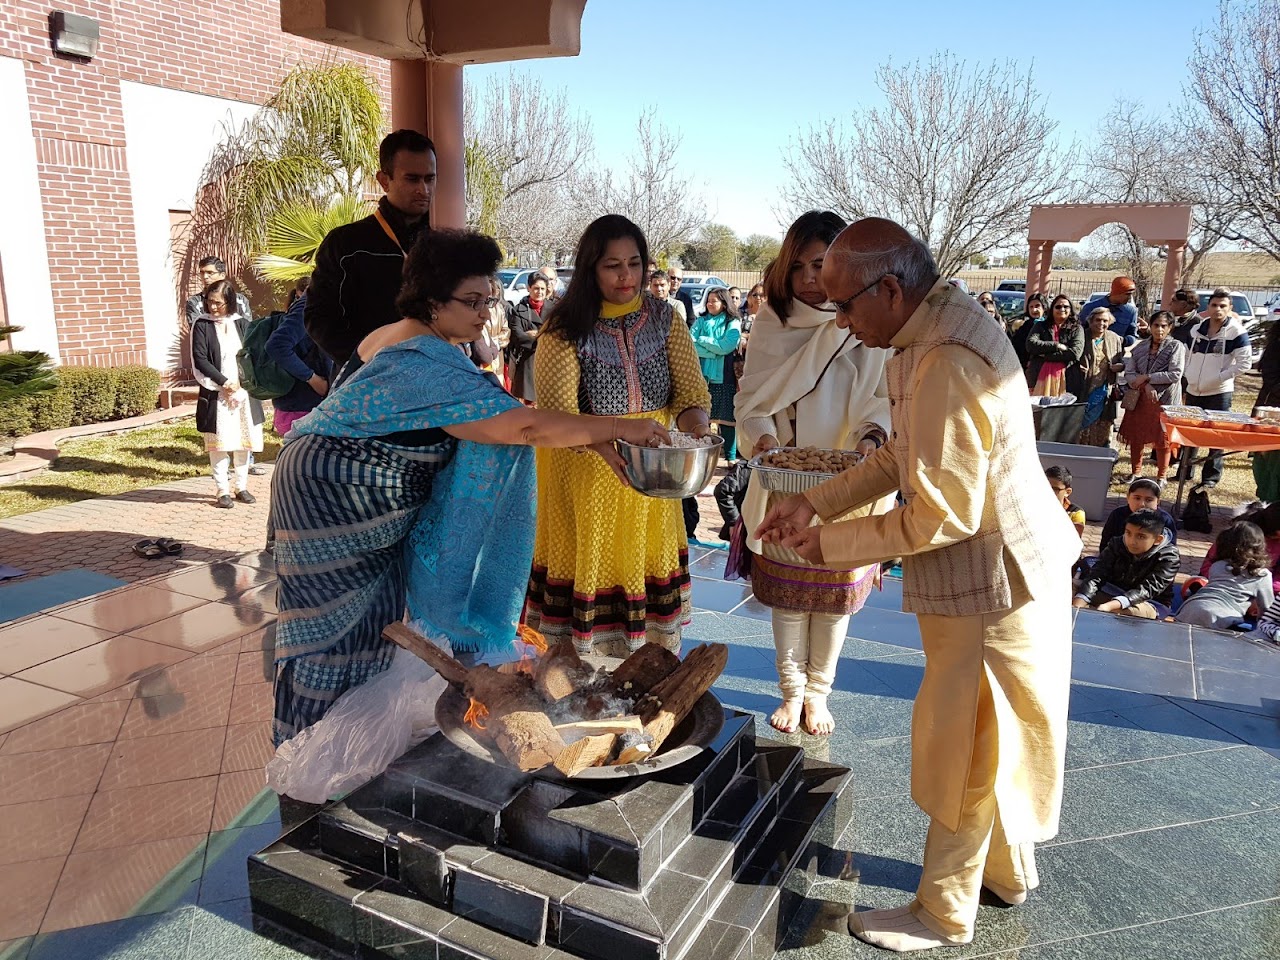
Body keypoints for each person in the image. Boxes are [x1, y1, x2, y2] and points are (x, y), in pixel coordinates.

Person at [756, 217, 1076, 952]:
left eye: (845, 306)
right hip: (998, 573)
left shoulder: (947, 359)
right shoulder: (925, 328)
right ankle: (1005, 873)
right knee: (990, 739)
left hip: (994, 582)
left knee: (966, 748)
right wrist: (817, 502)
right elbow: (905, 452)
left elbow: (942, 513)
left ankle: (943, 911)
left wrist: (830, 545)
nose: (840, 322)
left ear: (891, 289)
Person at [270, 228, 672, 744]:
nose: (485, 314)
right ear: (431, 300)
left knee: (366, 623)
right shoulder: (422, 362)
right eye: (472, 301)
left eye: (490, 299)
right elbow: (521, 427)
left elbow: (496, 415)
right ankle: (312, 751)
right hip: (336, 499)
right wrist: (618, 427)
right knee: (336, 634)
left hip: (327, 483)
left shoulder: (399, 338)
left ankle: (334, 746)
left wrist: (591, 440)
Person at [524, 215, 712, 657]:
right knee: (588, 596)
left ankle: (643, 677)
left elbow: (690, 395)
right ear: (590, 268)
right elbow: (558, 418)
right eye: (612, 265)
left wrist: (699, 432)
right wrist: (611, 442)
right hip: (584, 475)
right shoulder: (563, 328)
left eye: (634, 263)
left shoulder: (664, 319)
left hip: (651, 479)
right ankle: (581, 679)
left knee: (645, 599)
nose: (626, 276)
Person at [736, 211, 892, 739]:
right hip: (782, 479)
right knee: (788, 595)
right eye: (798, 266)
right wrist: (764, 440)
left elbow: (882, 397)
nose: (808, 278)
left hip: (851, 483)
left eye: (820, 265)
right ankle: (790, 690)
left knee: (833, 598)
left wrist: (871, 440)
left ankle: (819, 692)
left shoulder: (865, 320)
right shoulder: (771, 322)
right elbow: (750, 401)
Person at [305, 130, 436, 368]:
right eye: (412, 179)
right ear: (384, 180)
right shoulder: (346, 244)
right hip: (367, 378)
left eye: (430, 179)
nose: (423, 189)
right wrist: (371, 363)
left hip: (435, 375)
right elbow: (319, 320)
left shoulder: (444, 242)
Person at [190, 280, 265, 508]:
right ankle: (222, 489)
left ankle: (241, 486)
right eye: (209, 302)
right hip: (217, 393)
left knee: (243, 442)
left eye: (218, 303)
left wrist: (242, 386)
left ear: (230, 302)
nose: (212, 307)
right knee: (220, 444)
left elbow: (253, 356)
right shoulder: (202, 325)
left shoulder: (242, 324)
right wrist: (224, 383)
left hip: (243, 393)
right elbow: (200, 359)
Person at [1182, 288, 1253, 491]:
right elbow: (1186, 355)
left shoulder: (1237, 332)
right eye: (1214, 305)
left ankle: (1211, 477)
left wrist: (1220, 377)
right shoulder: (1196, 330)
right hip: (1194, 389)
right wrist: (1188, 375)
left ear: (1230, 308)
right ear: (1209, 307)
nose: (1218, 309)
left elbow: (1244, 363)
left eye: (1223, 306)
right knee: (1191, 432)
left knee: (1216, 435)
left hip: (1219, 392)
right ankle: (1185, 472)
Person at [1117, 311, 1185, 485]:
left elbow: (1175, 374)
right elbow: (1130, 373)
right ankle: (1136, 472)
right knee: (1136, 436)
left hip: (1165, 400)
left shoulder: (1176, 346)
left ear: (1170, 328)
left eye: (1163, 326)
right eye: (1156, 325)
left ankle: (1162, 476)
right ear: (1150, 326)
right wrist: (1144, 385)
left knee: (1163, 439)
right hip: (1140, 399)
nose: (1159, 330)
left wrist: (1147, 377)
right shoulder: (1140, 347)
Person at [1073, 510, 1180, 619]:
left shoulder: (1169, 557)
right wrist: (1081, 600)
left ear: (1158, 539)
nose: (1132, 541)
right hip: (1110, 590)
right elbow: (1097, 574)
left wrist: (1110, 606)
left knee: (1128, 613)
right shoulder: (1117, 543)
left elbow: (1148, 590)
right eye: (1128, 533)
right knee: (1068, 588)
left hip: (1148, 602)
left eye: (1141, 537)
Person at [265, 277, 331, 436]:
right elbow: (276, 345)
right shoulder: (311, 303)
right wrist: (312, 378)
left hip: (315, 404)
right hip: (302, 406)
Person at [1176, 520, 1272, 629]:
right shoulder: (1262, 575)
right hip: (1223, 617)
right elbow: (1267, 611)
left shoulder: (1218, 565)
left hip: (1191, 608)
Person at [690, 287, 743, 460]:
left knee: (727, 420)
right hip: (701, 378)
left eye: (714, 301)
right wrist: (715, 351)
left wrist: (703, 340)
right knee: (701, 419)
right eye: (708, 301)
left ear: (724, 303)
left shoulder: (732, 322)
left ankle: (730, 458)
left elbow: (727, 346)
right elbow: (690, 344)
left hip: (725, 377)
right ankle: (702, 456)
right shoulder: (701, 321)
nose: (710, 304)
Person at [1198, 501, 1280, 594]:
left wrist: (1271, 588)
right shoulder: (1239, 534)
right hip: (1222, 584)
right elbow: (1209, 565)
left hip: (1259, 589)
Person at [1076, 306, 1125, 446]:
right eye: (1098, 320)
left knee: (1103, 422)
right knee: (1083, 421)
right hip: (1084, 387)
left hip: (1105, 389)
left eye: (1105, 321)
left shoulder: (1114, 339)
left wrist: (1119, 367)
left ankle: (1101, 450)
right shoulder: (1082, 336)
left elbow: (1121, 362)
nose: (1101, 323)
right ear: (1091, 321)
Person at [506, 273, 554, 403]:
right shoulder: (518, 310)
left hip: (550, 362)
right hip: (527, 363)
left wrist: (536, 335)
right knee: (528, 405)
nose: (540, 292)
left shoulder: (554, 309)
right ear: (529, 288)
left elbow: (557, 335)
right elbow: (518, 336)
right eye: (536, 288)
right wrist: (544, 336)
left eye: (542, 289)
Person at [1025, 295, 1085, 397]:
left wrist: (1046, 356)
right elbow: (1030, 345)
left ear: (1071, 310)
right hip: (1038, 374)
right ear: (1052, 309)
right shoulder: (1040, 326)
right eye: (1058, 307)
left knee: (1062, 406)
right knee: (1037, 406)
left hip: (1067, 377)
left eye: (1066, 307)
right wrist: (1056, 345)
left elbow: (1075, 353)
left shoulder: (1077, 329)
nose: (1062, 309)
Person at [1097, 478, 1178, 553]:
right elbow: (1106, 544)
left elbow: (1169, 550)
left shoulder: (1165, 519)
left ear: (1157, 501)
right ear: (1128, 498)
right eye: (1137, 498)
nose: (1142, 504)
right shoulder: (1118, 514)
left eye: (1148, 500)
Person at [1252, 321, 1280, 500]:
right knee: (1268, 461)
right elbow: (1271, 379)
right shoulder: (1276, 346)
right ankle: (1268, 502)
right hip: (1272, 411)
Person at [1079, 276, 1139, 345]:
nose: (1129, 297)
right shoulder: (1090, 307)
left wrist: (1122, 341)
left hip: (1116, 350)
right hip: (1090, 349)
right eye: (1127, 294)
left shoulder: (1130, 311)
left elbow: (1132, 335)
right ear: (1117, 292)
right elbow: (1079, 330)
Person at [1044, 465, 1085, 536]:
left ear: (1067, 492)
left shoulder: (1075, 513)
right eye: (1045, 487)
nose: (1048, 492)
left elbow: (1072, 539)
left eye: (1055, 489)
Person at [1009, 293, 1046, 369]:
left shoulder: (1049, 325)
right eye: (1031, 307)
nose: (1034, 310)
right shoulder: (1024, 327)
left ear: (1044, 308)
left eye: (1037, 306)